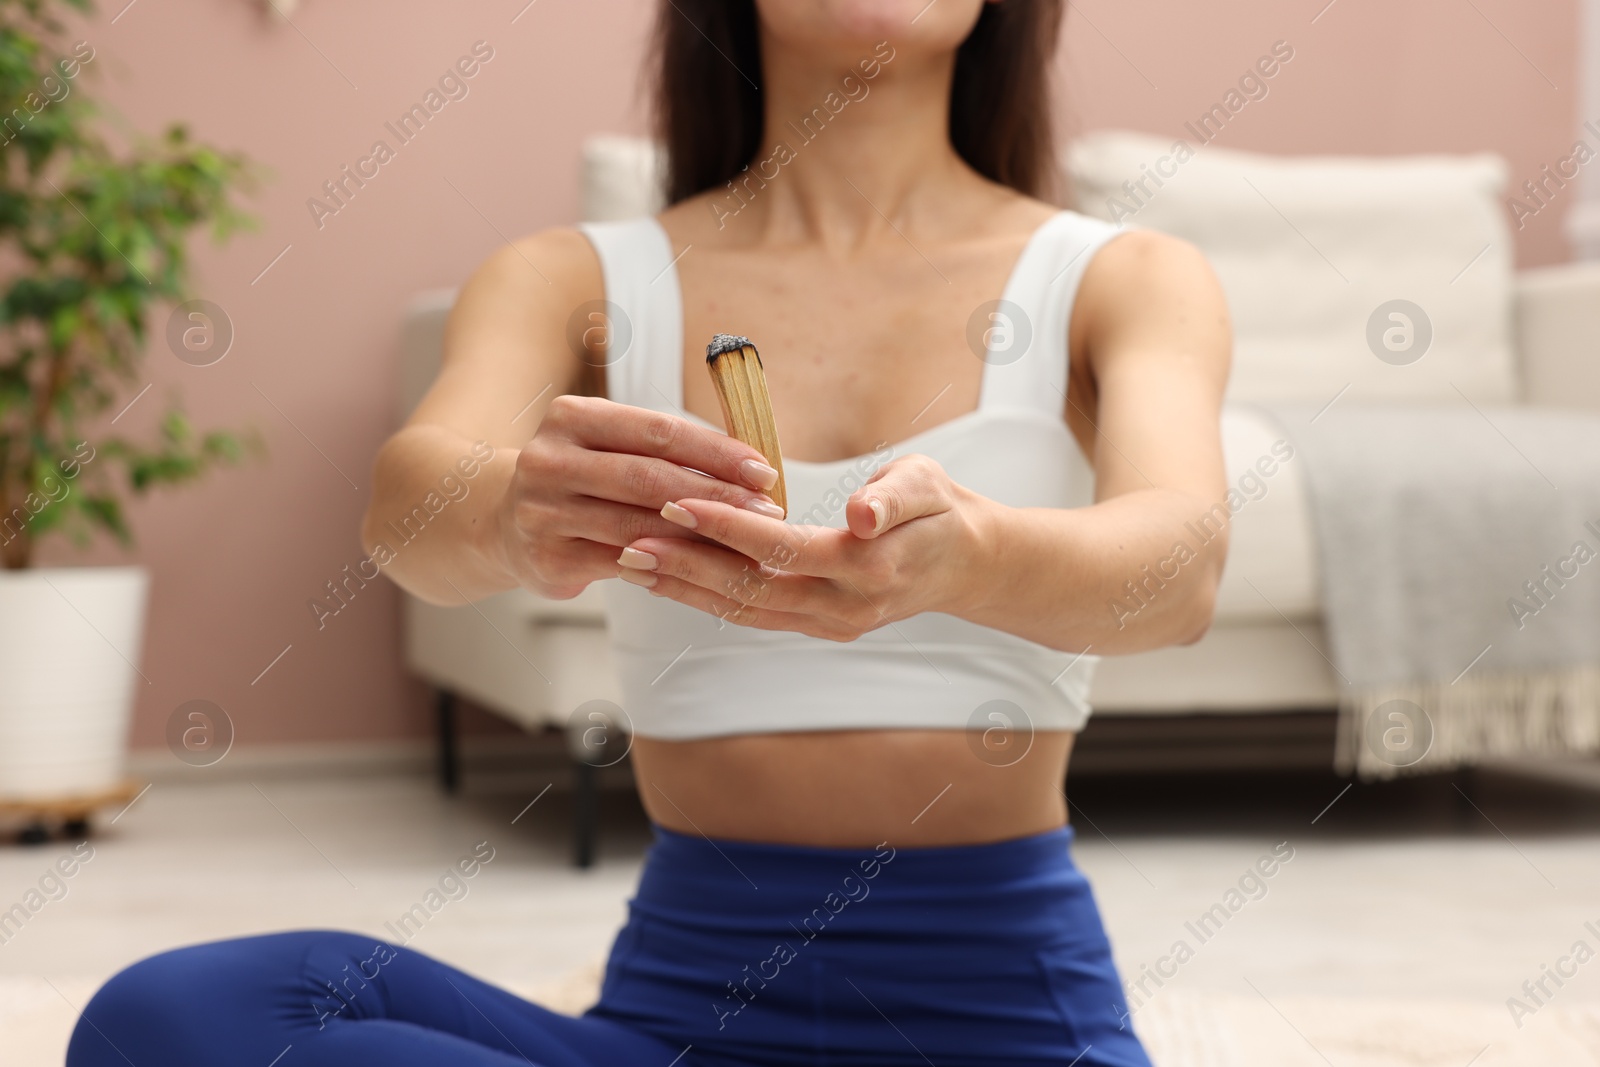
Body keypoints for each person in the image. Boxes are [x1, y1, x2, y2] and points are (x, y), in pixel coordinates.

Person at [69, 1, 1229, 1064]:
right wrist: (511, 512)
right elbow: (405, 508)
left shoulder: (1118, 275)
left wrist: (977, 555)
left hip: (1004, 1023)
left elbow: (1179, 566)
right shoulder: (572, 276)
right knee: (167, 1016)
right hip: (680, 1020)